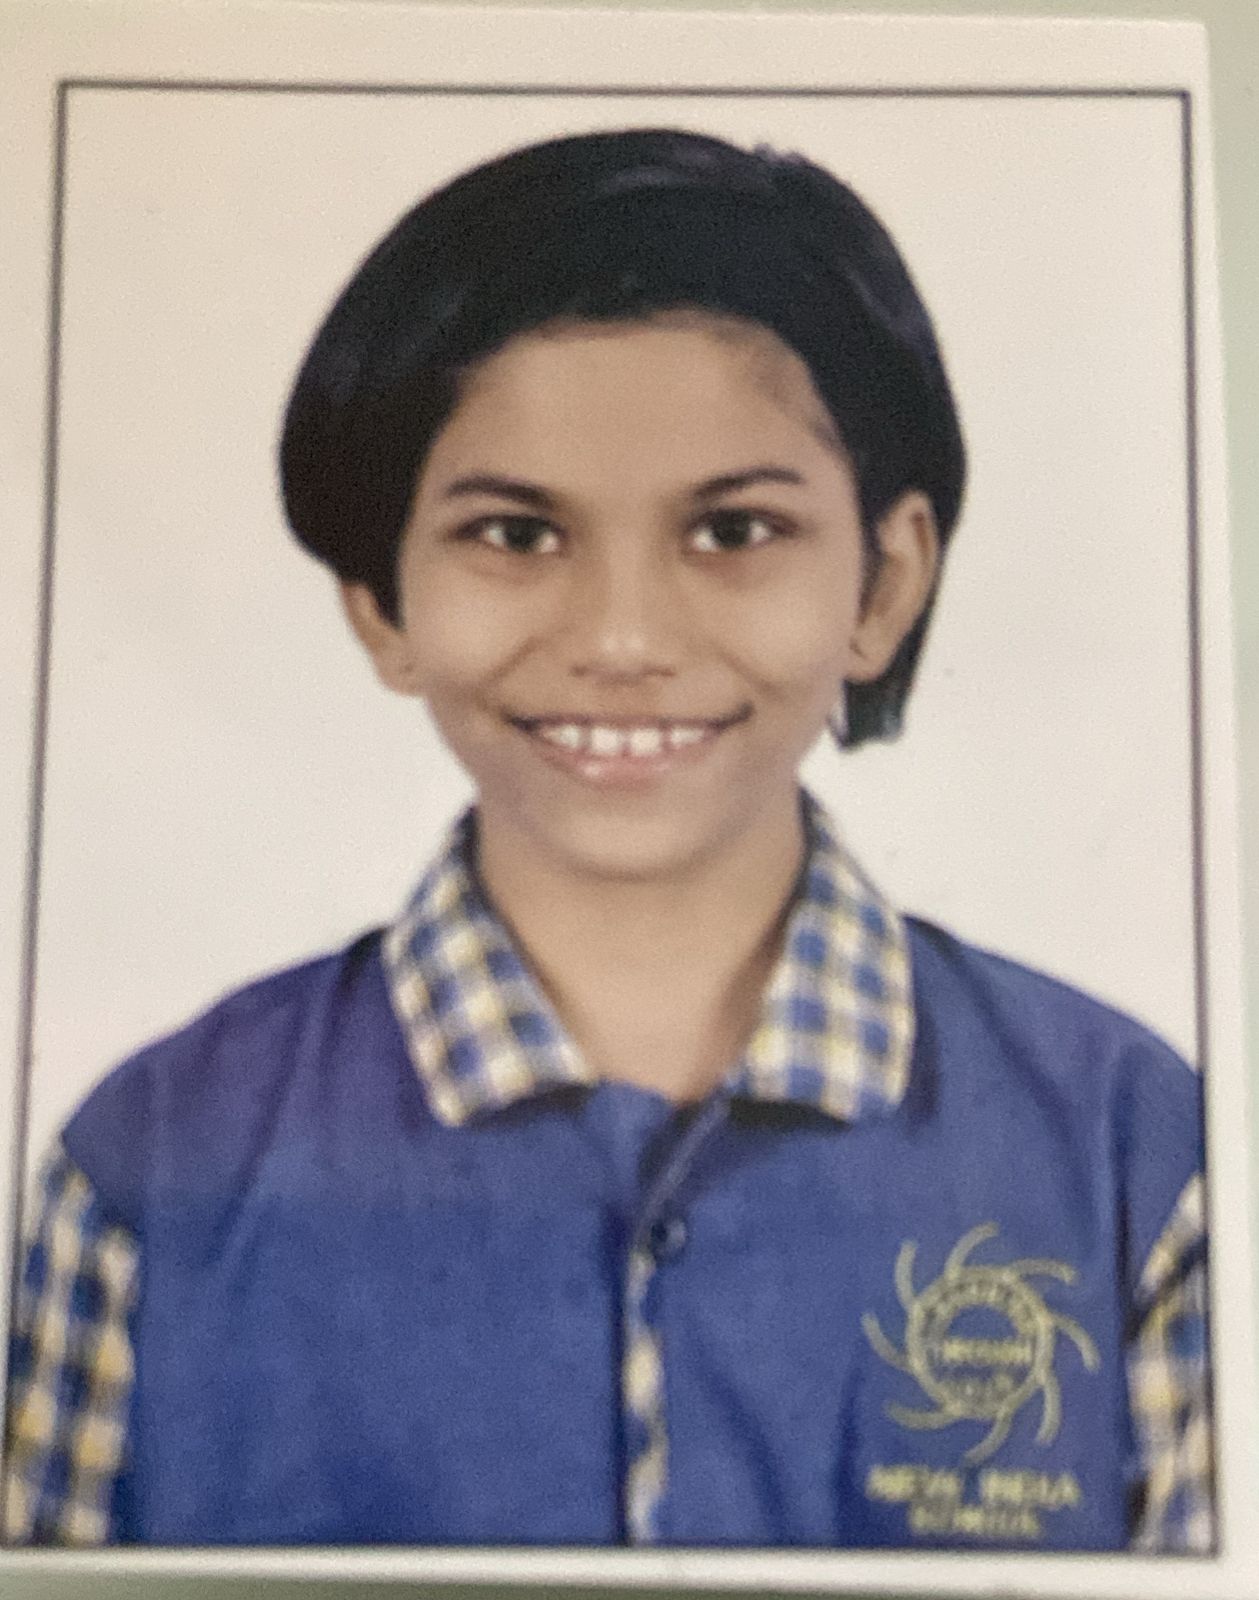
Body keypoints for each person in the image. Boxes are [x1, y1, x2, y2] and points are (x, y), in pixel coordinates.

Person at [3, 127, 1211, 1552]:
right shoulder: (150, 1173)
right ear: (381, 603)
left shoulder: (1140, 1161)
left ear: (884, 583)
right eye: (517, 536)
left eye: (734, 530)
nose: (624, 640)